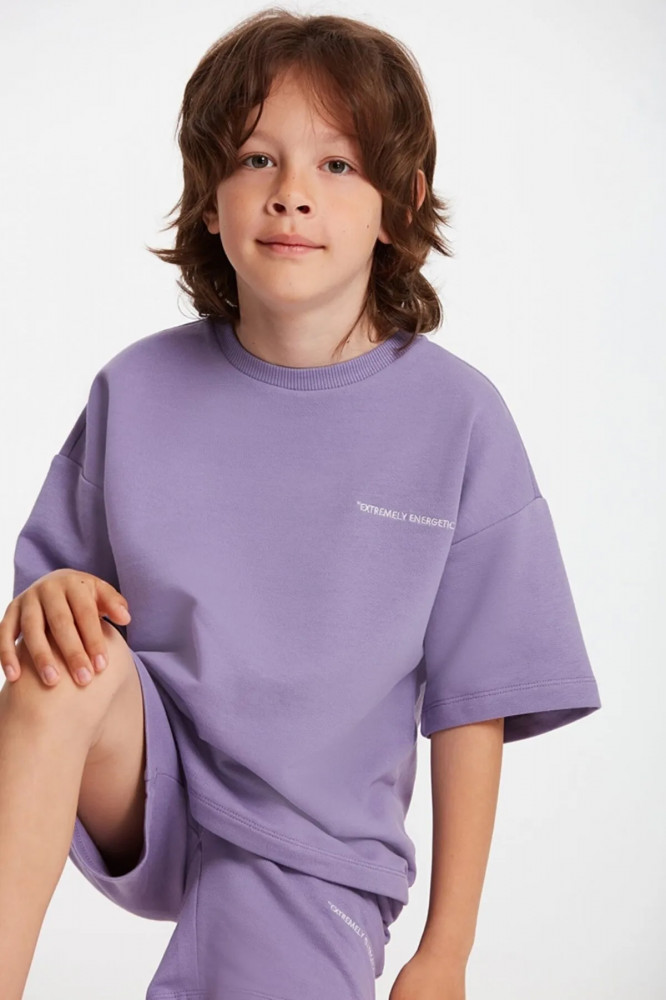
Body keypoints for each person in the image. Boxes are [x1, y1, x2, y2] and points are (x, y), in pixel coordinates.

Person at [0, 8, 602, 1000]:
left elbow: (476, 702)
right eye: (255, 159)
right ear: (209, 198)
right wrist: (51, 595)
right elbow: (43, 625)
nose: (291, 193)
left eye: (337, 165)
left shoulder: (457, 417)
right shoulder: (135, 389)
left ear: (398, 206)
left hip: (317, 841)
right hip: (150, 785)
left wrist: (445, 952)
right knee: (64, 665)